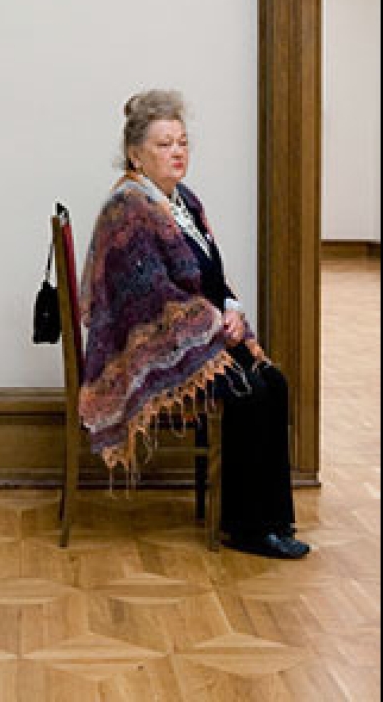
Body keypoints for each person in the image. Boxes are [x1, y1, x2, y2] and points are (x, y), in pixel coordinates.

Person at [79, 90, 310, 559]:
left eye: (182, 142)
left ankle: (272, 519)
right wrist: (215, 323)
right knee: (249, 390)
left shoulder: (183, 201)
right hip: (150, 351)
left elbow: (212, 276)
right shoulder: (128, 209)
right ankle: (246, 528)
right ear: (136, 154)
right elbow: (151, 301)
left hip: (198, 335)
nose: (178, 152)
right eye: (164, 144)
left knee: (273, 381)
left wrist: (233, 309)